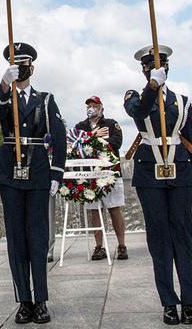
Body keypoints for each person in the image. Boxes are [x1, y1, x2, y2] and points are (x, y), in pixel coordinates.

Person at [124, 45, 192, 326]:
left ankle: (188, 300)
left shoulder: (182, 101)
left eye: (160, 66)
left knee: (183, 237)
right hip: (150, 173)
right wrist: (152, 86)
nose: (156, 69)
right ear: (144, 69)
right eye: (150, 66)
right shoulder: (134, 96)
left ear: (168, 68)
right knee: (159, 239)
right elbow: (139, 111)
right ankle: (168, 301)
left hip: (180, 171)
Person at [0, 42, 66, 324]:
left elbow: (58, 136)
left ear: (32, 67)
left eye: (24, 64)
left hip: (37, 170)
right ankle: (24, 300)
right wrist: (3, 85)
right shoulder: (4, 96)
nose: (20, 68)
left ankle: (41, 299)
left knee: (37, 237)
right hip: (9, 170)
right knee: (16, 239)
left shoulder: (46, 99)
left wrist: (56, 173)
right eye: (15, 65)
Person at [75, 96, 127, 261]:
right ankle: (99, 247)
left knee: (114, 209)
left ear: (101, 108)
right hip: (90, 176)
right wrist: (94, 136)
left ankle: (121, 245)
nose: (91, 108)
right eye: (89, 105)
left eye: (95, 105)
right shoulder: (80, 127)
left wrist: (91, 140)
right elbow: (75, 145)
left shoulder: (111, 124)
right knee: (94, 211)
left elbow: (116, 143)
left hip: (110, 173)